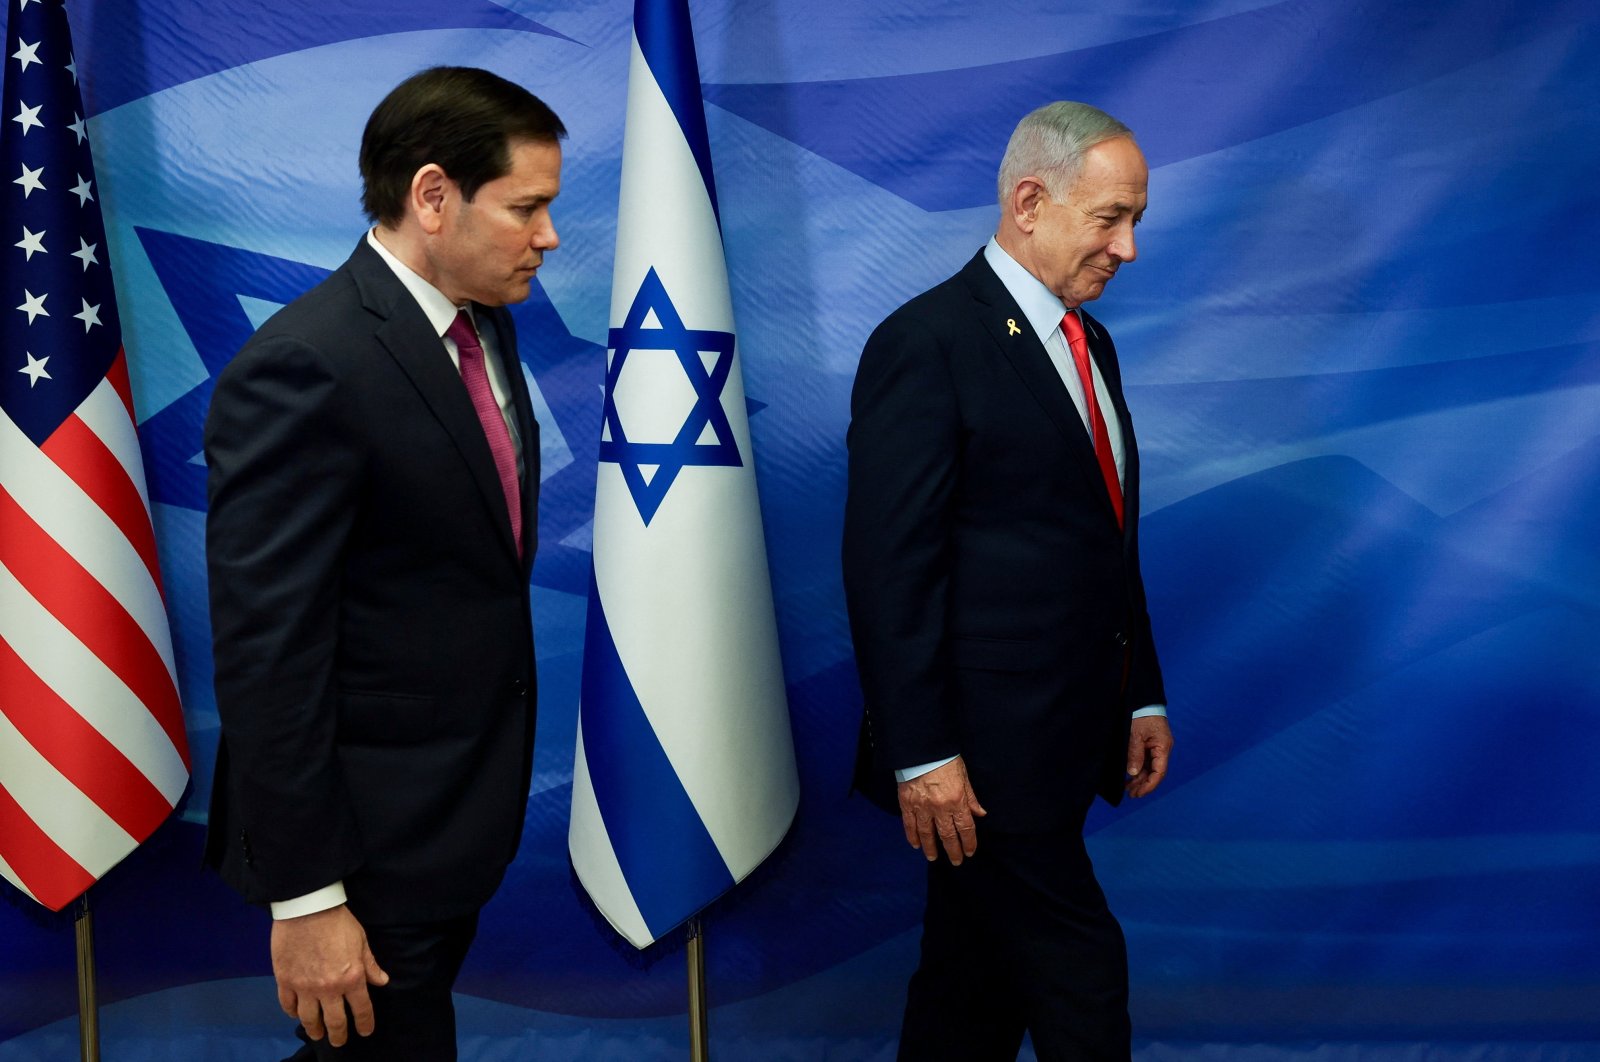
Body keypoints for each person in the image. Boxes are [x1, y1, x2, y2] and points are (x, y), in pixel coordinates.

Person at [202, 66, 563, 1060]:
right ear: (434, 196)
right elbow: (269, 653)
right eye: (527, 207)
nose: (549, 236)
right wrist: (308, 899)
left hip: (451, 822)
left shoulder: (483, 320)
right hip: (363, 850)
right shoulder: (305, 366)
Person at [842, 101, 1175, 1060]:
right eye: (1110, 219)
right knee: (1081, 976)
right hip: (982, 762)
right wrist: (922, 756)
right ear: (1030, 201)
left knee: (969, 990)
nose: (1129, 248)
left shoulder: (1090, 343)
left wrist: (1139, 691)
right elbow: (887, 567)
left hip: (1068, 736)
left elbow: (1104, 540)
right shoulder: (928, 343)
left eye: (1135, 221)